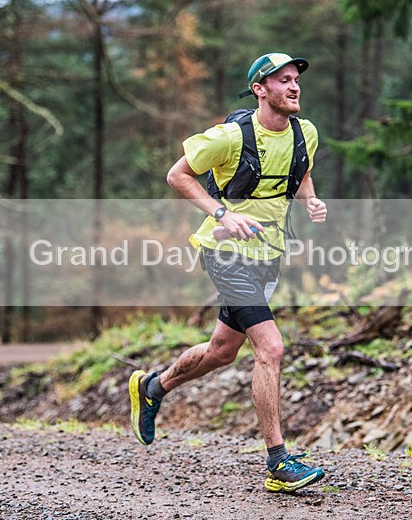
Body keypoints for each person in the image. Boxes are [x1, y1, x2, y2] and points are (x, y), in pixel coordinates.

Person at [129, 52, 328, 493]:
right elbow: (177, 175)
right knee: (271, 348)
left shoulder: (305, 132)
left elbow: (302, 168)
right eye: (283, 81)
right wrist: (222, 214)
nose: (294, 87)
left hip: (268, 253)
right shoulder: (230, 137)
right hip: (225, 252)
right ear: (260, 89)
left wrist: (309, 199)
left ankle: (152, 387)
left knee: (222, 350)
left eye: (296, 80)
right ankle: (279, 463)